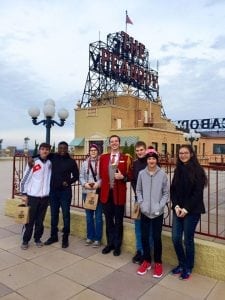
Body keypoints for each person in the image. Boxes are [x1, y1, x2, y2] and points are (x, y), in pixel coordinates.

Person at [170, 144, 207, 280]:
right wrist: (176, 206)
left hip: (192, 211)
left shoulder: (198, 171)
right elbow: (173, 190)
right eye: (180, 153)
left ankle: (188, 267)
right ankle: (181, 263)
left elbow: (197, 194)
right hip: (178, 209)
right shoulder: (178, 170)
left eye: (185, 153)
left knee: (188, 240)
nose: (183, 155)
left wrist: (186, 209)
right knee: (175, 238)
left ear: (191, 154)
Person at [136, 150, 169, 278]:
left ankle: (158, 263)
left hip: (157, 213)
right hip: (144, 211)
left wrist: (159, 206)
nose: (151, 161)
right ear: (147, 160)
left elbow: (166, 193)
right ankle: (147, 261)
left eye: (153, 159)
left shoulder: (162, 174)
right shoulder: (141, 174)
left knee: (156, 238)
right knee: (144, 237)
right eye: (149, 159)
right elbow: (138, 190)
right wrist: (141, 203)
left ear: (156, 160)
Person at [99, 135, 132, 256]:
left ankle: (117, 246)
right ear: (109, 143)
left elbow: (130, 176)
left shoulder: (126, 158)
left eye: (116, 141)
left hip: (119, 194)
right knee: (108, 220)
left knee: (118, 221)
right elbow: (101, 176)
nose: (114, 143)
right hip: (106, 194)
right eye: (112, 141)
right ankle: (110, 244)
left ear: (119, 143)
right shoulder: (103, 158)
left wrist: (123, 177)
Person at [44, 141, 79, 248]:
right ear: (57, 149)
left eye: (64, 148)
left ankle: (65, 237)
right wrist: (32, 158)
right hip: (54, 191)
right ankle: (53, 236)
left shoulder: (71, 161)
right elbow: (42, 154)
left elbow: (76, 176)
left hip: (65, 192)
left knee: (65, 215)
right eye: (60, 148)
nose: (62, 150)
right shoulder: (53, 157)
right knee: (54, 214)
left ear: (67, 149)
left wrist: (68, 182)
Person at [20, 143, 52, 250]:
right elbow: (24, 180)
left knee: (40, 221)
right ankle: (25, 240)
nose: (45, 151)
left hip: (45, 197)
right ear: (39, 150)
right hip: (33, 197)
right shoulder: (33, 162)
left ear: (49, 151)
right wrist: (24, 194)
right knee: (30, 220)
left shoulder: (49, 163)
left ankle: (37, 238)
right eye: (42, 149)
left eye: (47, 149)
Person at [131, 141, 154, 264]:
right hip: (138, 199)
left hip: (150, 200)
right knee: (138, 227)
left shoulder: (150, 162)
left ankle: (147, 253)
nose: (140, 152)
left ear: (145, 150)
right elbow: (133, 181)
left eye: (141, 150)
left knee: (149, 228)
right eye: (137, 150)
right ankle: (139, 251)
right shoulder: (134, 164)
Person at [80, 144, 103, 247]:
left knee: (98, 217)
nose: (93, 152)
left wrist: (98, 184)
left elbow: (103, 176)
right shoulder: (85, 163)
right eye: (91, 150)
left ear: (98, 151)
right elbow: (81, 176)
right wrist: (85, 184)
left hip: (97, 192)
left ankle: (97, 239)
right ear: (89, 152)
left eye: (95, 150)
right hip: (87, 192)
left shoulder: (101, 163)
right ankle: (90, 236)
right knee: (89, 217)